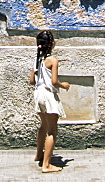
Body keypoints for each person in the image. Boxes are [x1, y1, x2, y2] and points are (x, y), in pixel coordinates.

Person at [29, 30, 70, 173]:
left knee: (43, 126)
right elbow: (54, 81)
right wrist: (63, 84)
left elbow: (32, 81)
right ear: (52, 44)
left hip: (38, 94)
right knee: (52, 131)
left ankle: (39, 154)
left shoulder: (37, 60)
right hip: (48, 95)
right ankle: (46, 165)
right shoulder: (53, 60)